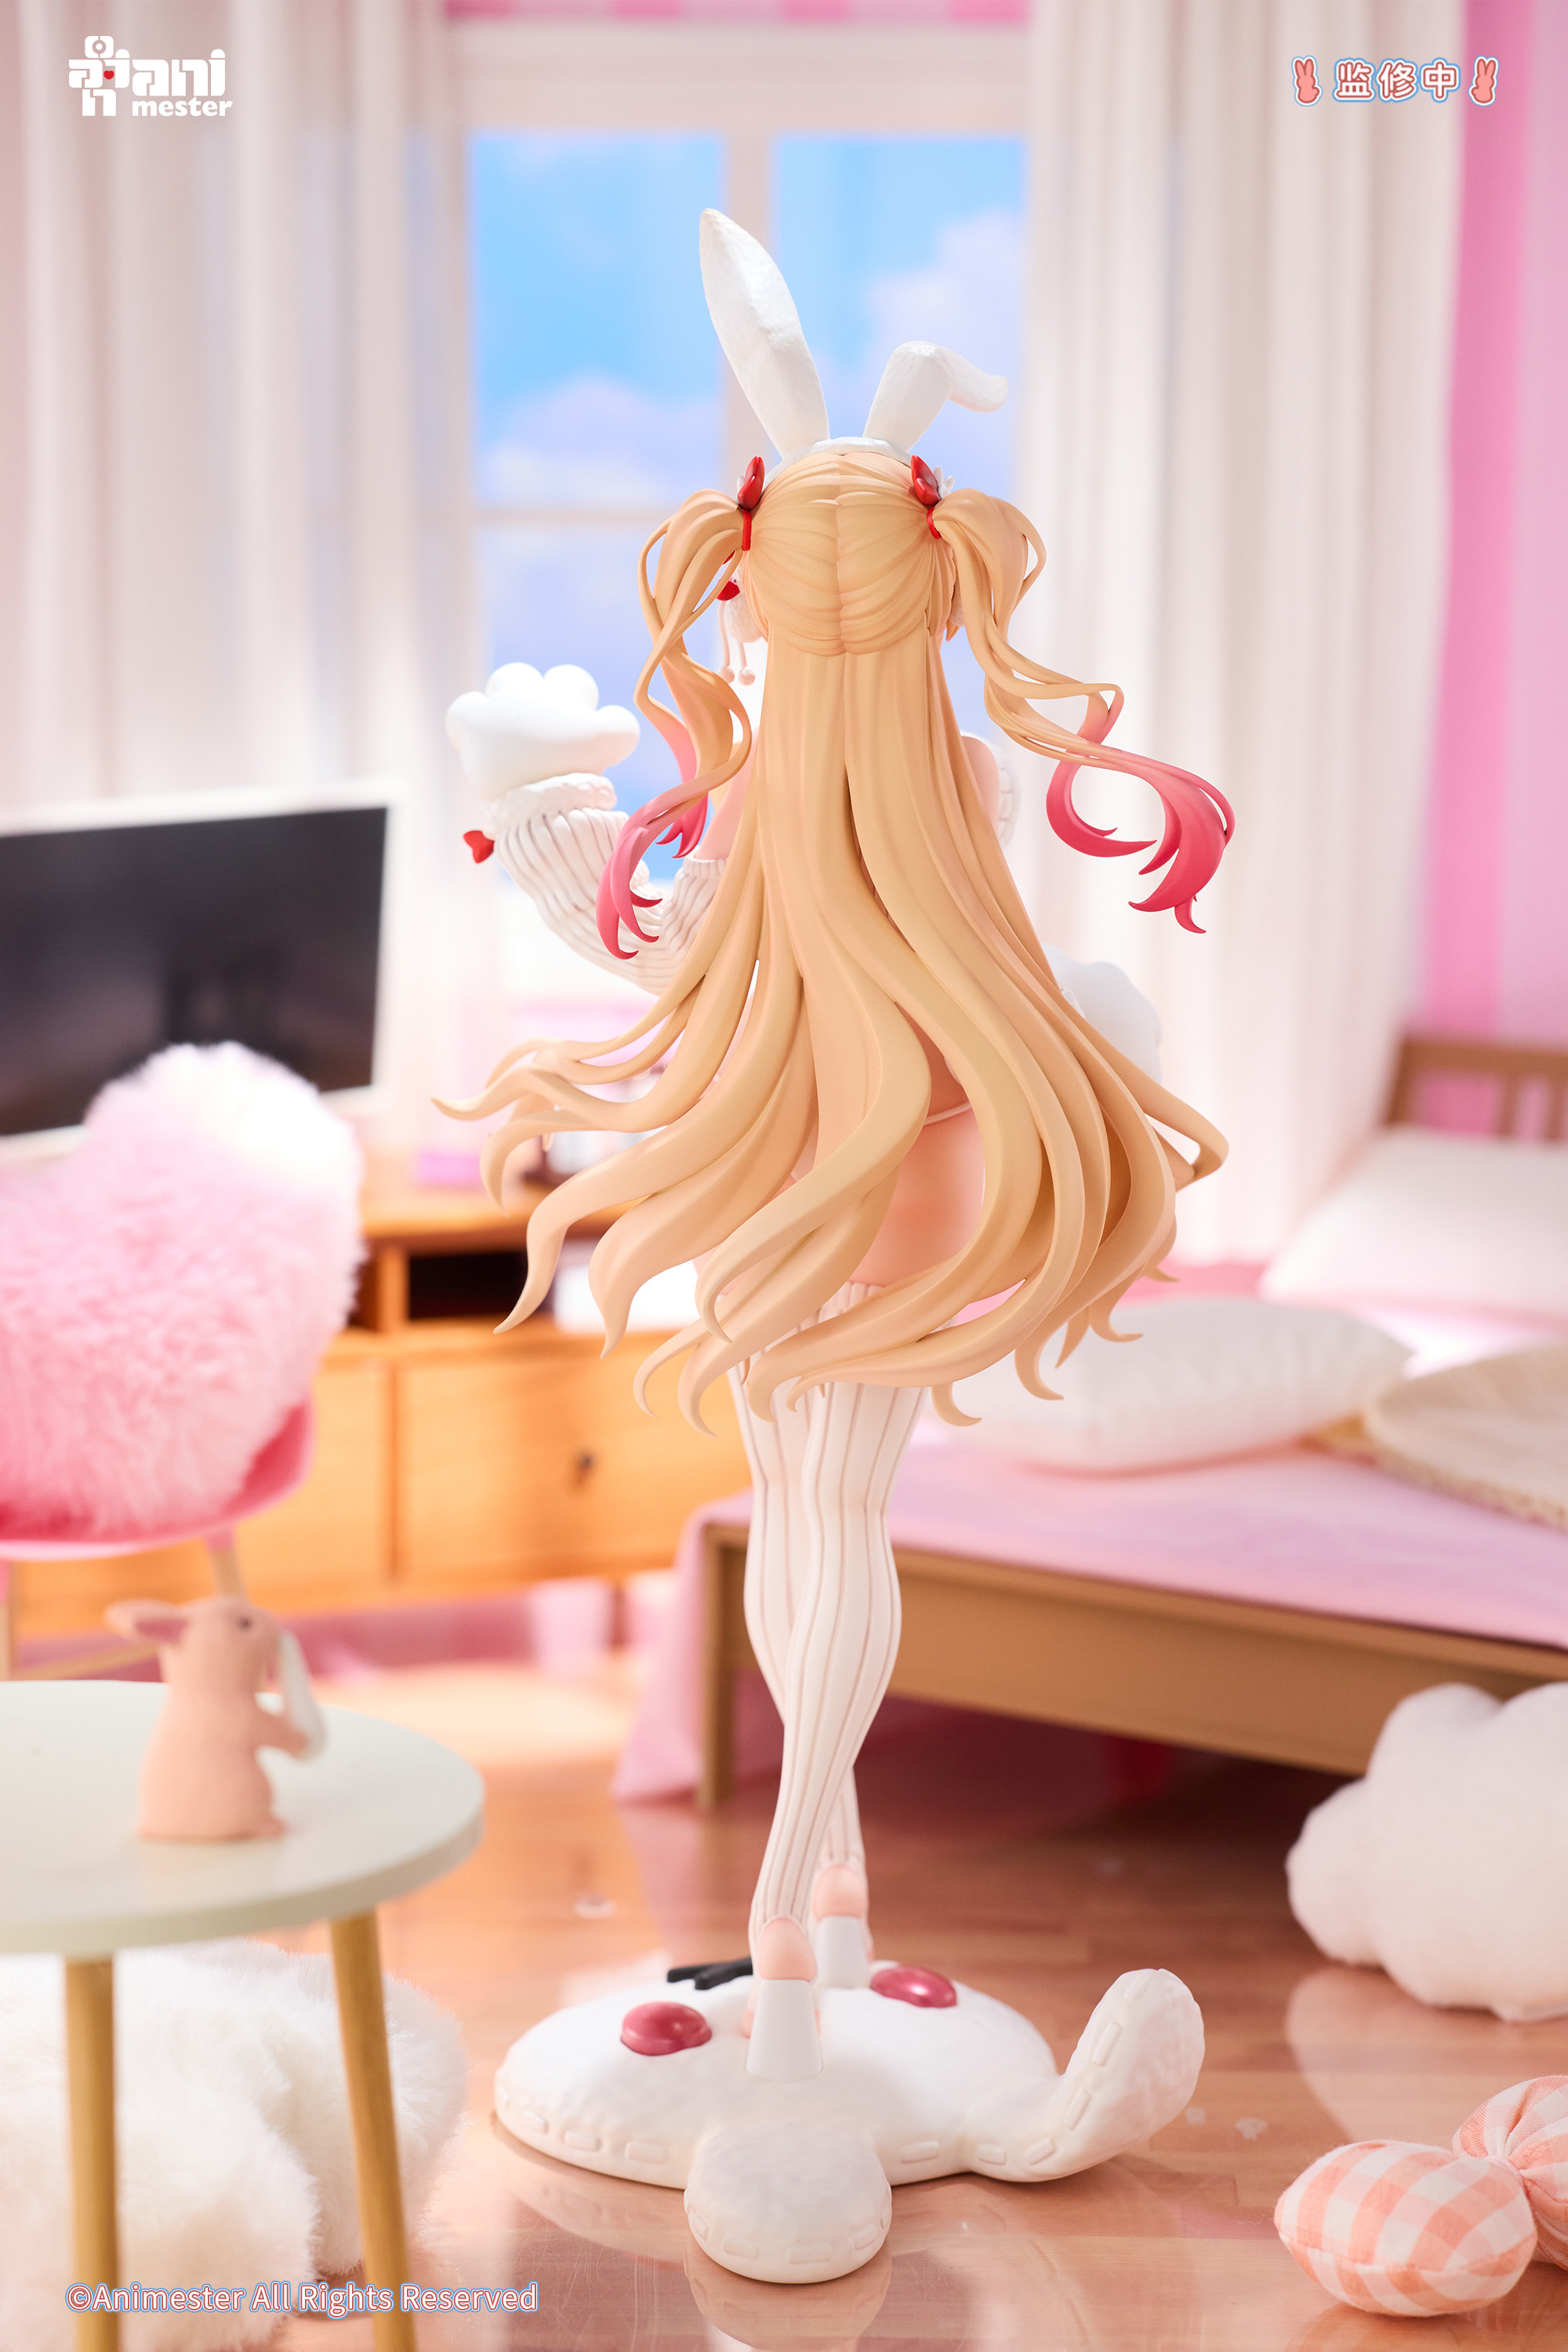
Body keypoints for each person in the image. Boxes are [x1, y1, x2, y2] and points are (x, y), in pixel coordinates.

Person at [447, 212, 1231, 2082]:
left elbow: (659, 950)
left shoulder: (783, 800)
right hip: (866, 1183)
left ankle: (795, 1908)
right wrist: (553, 833)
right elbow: (791, 962)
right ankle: (828, 1912)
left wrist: (546, 829)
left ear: (754, 605)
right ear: (935, 606)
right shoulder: (938, 783)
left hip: (812, 1189)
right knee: (817, 1524)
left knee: (820, 1525)